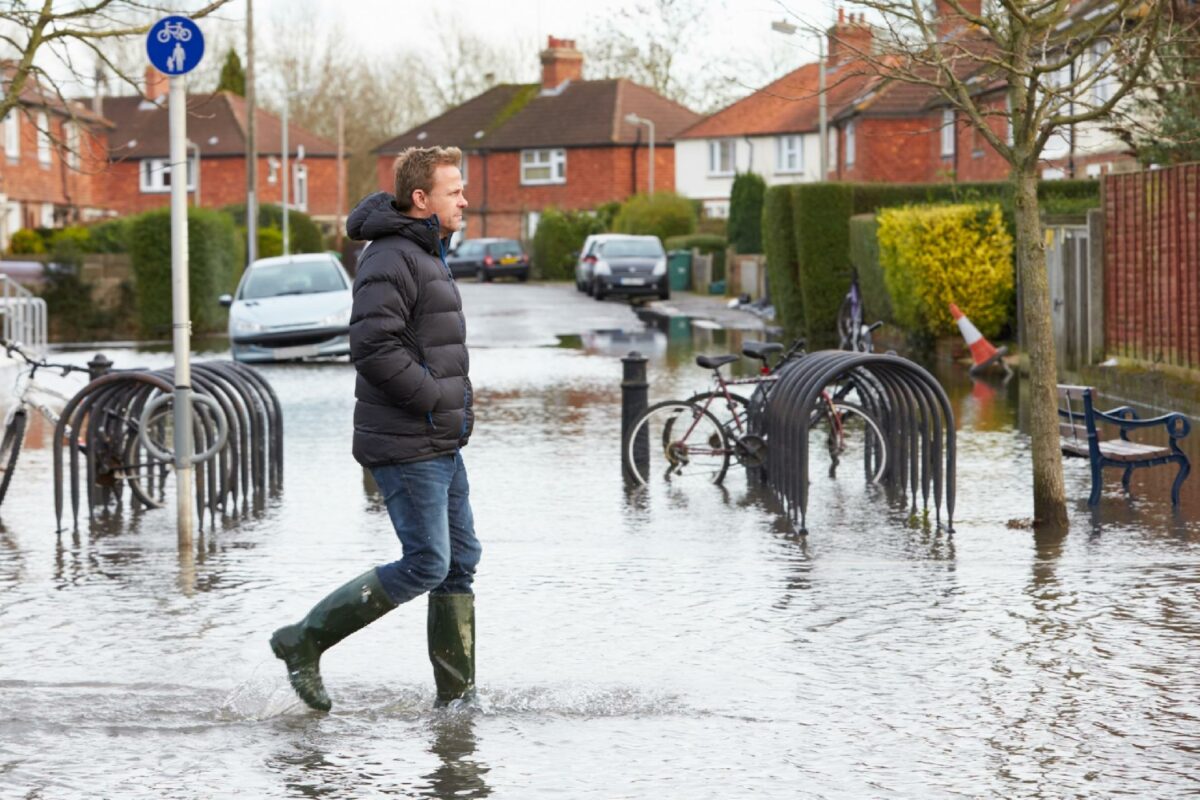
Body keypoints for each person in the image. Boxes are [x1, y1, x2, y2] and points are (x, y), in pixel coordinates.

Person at [270, 146, 478, 712]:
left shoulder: (425, 252)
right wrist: (435, 398)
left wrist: (451, 410)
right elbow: (373, 346)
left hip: (439, 438)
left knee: (459, 563)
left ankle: (457, 703)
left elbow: (428, 343)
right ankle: (305, 638)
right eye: (454, 190)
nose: (465, 199)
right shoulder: (391, 256)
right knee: (427, 562)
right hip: (408, 438)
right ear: (421, 199)